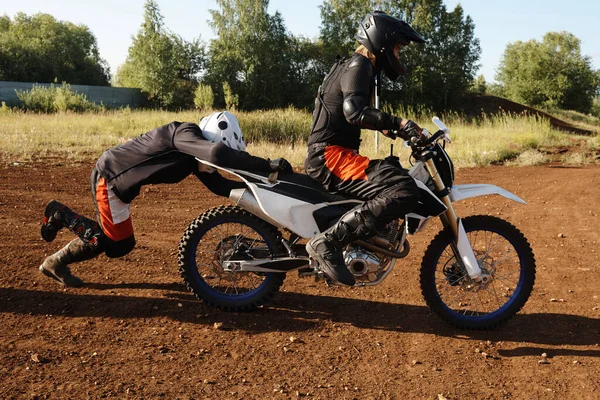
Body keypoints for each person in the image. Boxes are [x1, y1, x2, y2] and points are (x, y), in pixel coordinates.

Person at [39, 111, 293, 287]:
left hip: (121, 186)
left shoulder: (193, 156)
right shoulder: (183, 133)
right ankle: (59, 219)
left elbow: (220, 185)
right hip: (110, 177)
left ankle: (54, 261)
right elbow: (216, 153)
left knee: (120, 245)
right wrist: (266, 165)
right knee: (110, 243)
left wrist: (264, 192)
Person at [304, 11, 426, 286]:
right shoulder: (359, 65)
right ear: (382, 42)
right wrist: (398, 122)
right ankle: (328, 243)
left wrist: (388, 126)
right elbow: (353, 111)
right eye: (397, 47)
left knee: (391, 171)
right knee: (403, 188)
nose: (398, 54)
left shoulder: (357, 66)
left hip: (332, 153)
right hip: (329, 156)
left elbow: (355, 112)